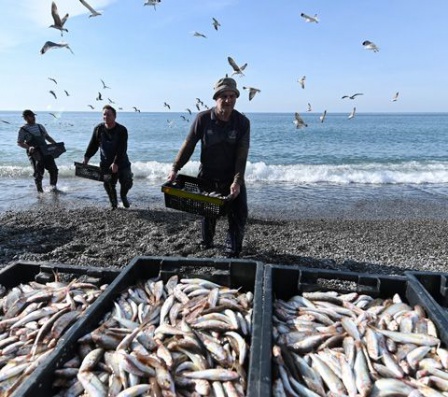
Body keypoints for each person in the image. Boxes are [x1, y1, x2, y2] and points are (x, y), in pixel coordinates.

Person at [168, 77, 250, 258]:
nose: (228, 100)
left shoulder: (243, 122)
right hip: (208, 176)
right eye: (224, 96)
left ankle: (232, 250)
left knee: (239, 212)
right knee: (208, 213)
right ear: (216, 97)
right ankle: (207, 243)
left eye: (232, 96)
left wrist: (237, 181)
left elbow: (242, 155)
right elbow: (188, 145)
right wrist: (175, 168)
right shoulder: (202, 118)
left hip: (232, 176)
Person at [83, 105, 133, 209]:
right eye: (104, 114)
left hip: (122, 162)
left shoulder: (122, 130)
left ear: (115, 116)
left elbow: (122, 148)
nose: (106, 117)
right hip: (105, 163)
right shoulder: (98, 129)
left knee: (127, 182)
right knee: (108, 184)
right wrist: (86, 158)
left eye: (108, 114)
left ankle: (123, 196)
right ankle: (114, 205)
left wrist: (116, 163)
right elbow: (93, 145)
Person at [17, 109, 59, 193]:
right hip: (34, 152)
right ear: (26, 118)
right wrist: (29, 147)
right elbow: (20, 142)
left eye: (33, 116)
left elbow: (47, 137)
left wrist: (55, 144)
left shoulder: (40, 126)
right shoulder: (23, 129)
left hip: (45, 150)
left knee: (54, 170)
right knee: (38, 173)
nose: (33, 117)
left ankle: (53, 189)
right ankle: (40, 192)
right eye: (31, 116)